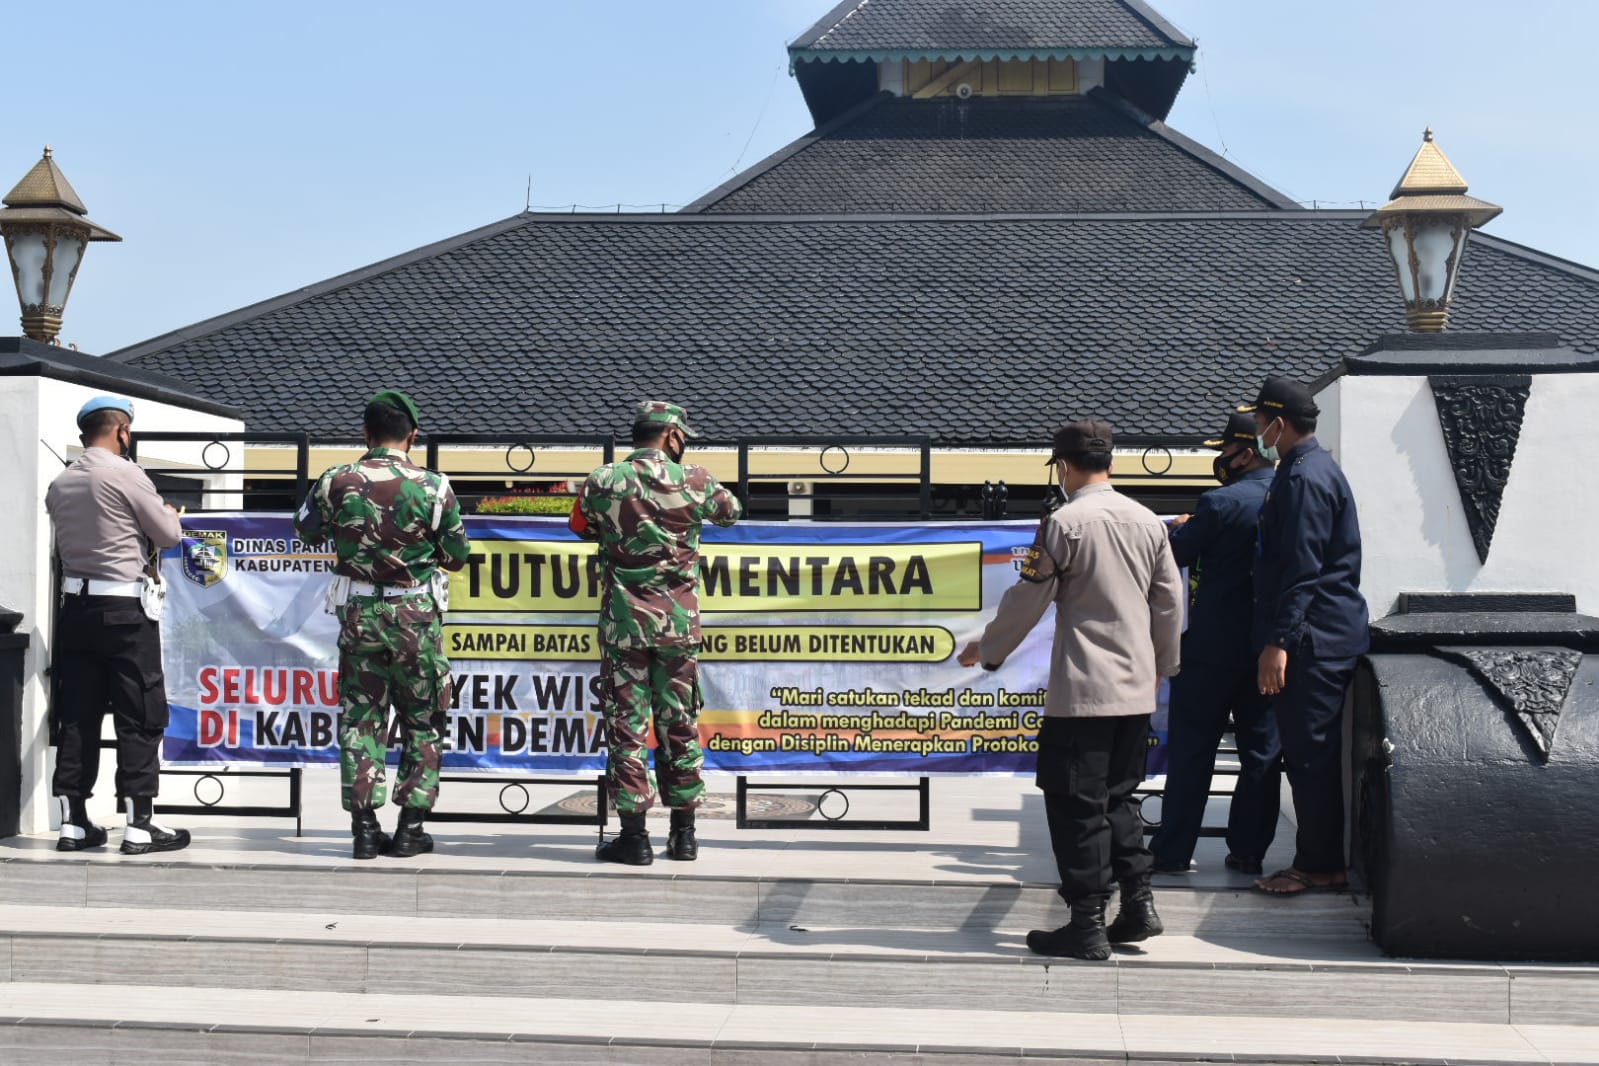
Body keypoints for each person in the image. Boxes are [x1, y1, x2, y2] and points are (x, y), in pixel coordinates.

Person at [958, 420, 1184, 959]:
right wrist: (1163, 667)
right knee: (1119, 798)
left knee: (1075, 803)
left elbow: (1028, 599)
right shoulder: (1147, 521)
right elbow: (1170, 601)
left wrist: (987, 650)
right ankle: (1137, 904)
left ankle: (1086, 922)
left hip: (1083, 691)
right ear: (1110, 461)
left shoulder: (1065, 523)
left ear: (1062, 466)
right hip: (1134, 688)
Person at [294, 390, 471, 860]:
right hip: (415, 616)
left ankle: (364, 830)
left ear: (365, 433)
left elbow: (305, 529)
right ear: (412, 435)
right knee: (423, 718)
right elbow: (457, 558)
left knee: (360, 719)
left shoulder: (336, 480)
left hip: (359, 617)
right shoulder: (435, 487)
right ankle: (411, 828)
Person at [573, 401, 741, 865]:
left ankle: (634, 839)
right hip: (678, 630)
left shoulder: (603, 480)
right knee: (679, 726)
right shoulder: (697, 480)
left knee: (626, 730)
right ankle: (684, 836)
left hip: (624, 628)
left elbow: (579, 525)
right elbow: (731, 512)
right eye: (682, 437)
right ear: (671, 436)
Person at [46, 395, 191, 854]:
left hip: (76, 609)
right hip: (126, 613)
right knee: (140, 715)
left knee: (78, 717)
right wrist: (168, 514)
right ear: (121, 430)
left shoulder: (61, 481)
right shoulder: (128, 474)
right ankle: (139, 824)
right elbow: (167, 536)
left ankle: (74, 823)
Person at [1245, 377, 1369, 896]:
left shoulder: (1303, 478)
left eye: (1259, 421)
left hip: (1312, 639)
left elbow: (1303, 570)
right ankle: (1320, 859)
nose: (1256, 429)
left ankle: (1318, 865)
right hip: (1324, 632)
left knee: (1309, 754)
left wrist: (1279, 643)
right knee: (1308, 752)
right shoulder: (1307, 469)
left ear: (1279, 423)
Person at [1149, 412, 1281, 877]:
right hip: (1271, 650)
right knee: (1261, 755)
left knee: (1193, 751)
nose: (1220, 459)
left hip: (1209, 651)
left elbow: (1174, 555)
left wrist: (1179, 527)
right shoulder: (1293, 498)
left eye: (1223, 451)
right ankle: (1248, 852)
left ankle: (1173, 850)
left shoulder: (1220, 503)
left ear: (1244, 453)